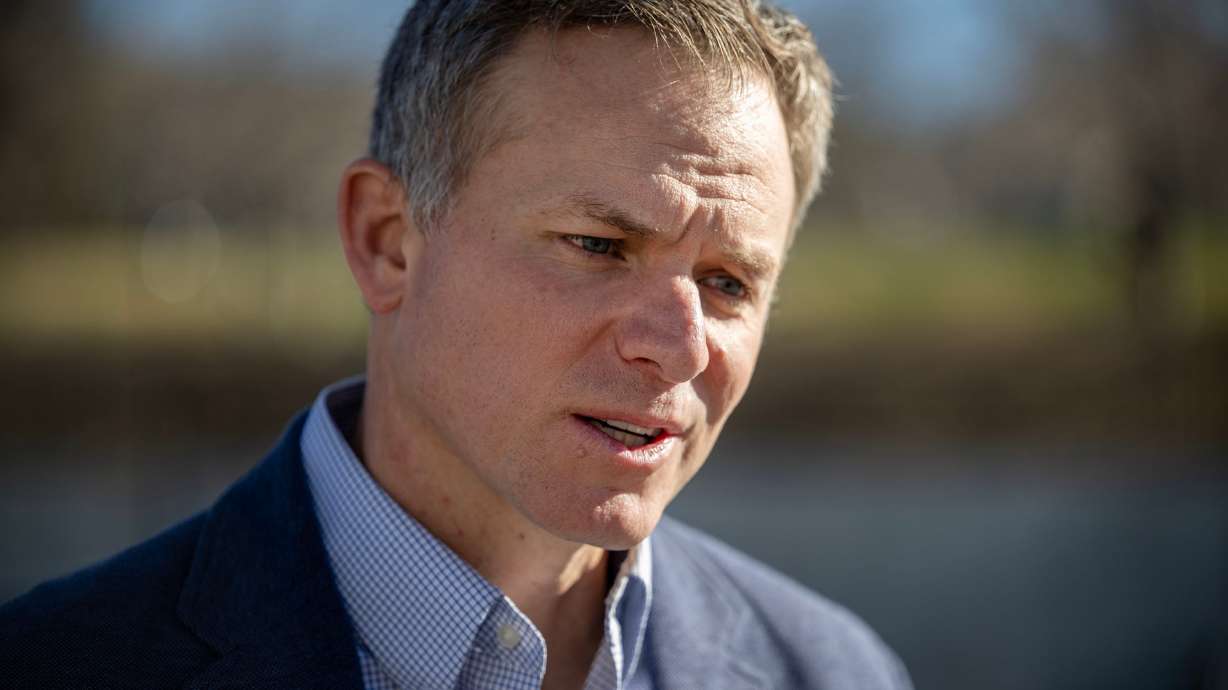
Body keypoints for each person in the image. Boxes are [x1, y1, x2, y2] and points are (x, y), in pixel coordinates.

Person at [0, 1, 912, 688]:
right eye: (599, 246)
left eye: (729, 284)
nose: (677, 348)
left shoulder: (837, 671)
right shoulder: (55, 665)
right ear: (388, 240)